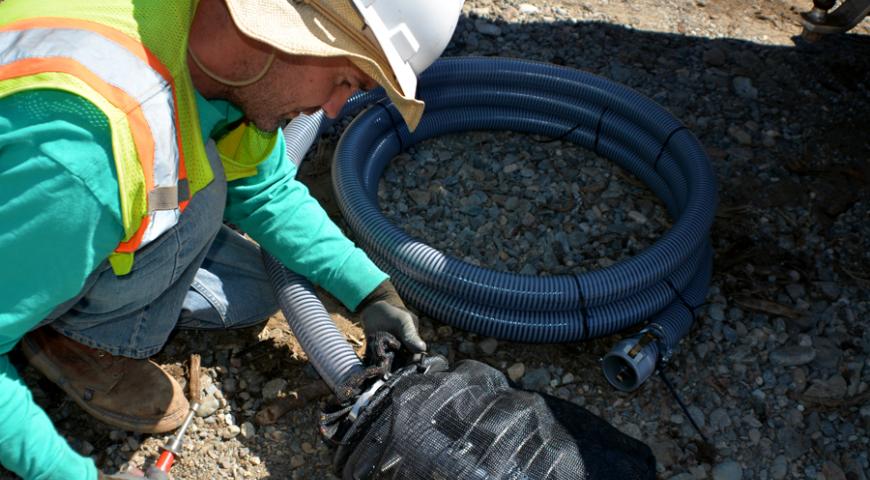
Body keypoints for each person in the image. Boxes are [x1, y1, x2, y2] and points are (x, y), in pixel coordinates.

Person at [0, 0, 463, 478]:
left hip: (44, 211)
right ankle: (78, 339)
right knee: (192, 189)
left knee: (250, 288)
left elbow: (265, 188)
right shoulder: (92, 157)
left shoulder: (198, 45)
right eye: (346, 80)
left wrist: (368, 290)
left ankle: (44, 280)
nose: (332, 108)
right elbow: (96, 177)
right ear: (286, 30)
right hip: (54, 201)